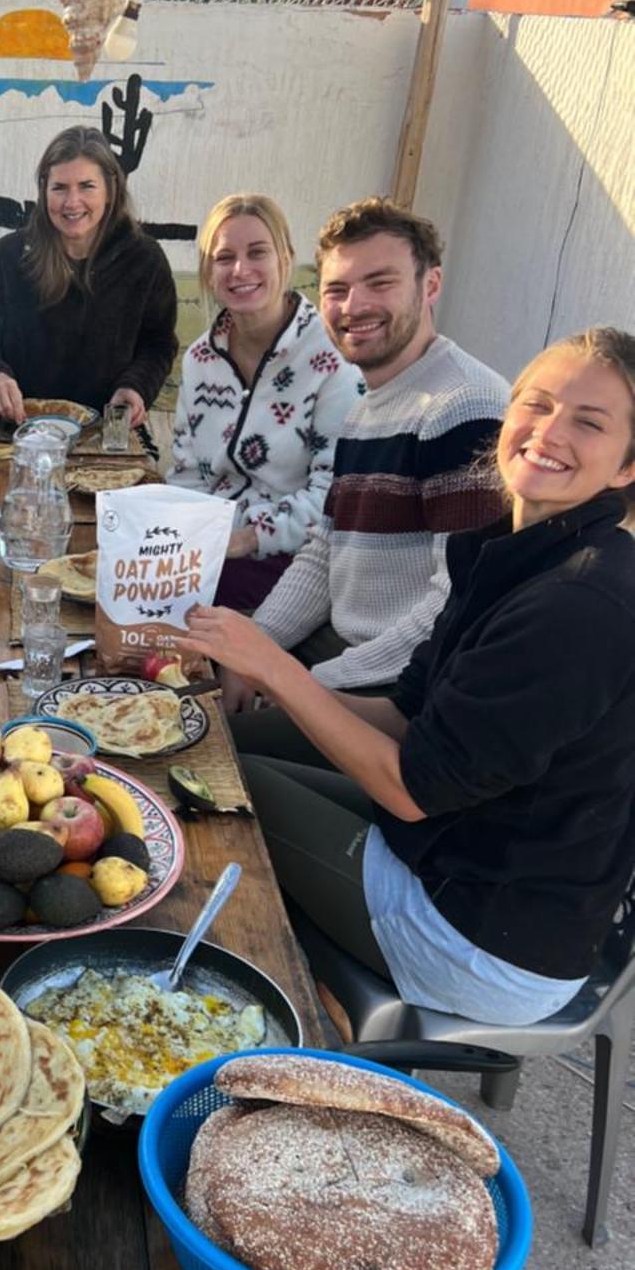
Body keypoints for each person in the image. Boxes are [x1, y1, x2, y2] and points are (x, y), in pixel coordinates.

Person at [181, 328, 635, 1025]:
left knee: (219, 793)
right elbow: (406, 714)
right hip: (450, 843)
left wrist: (273, 664)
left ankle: (237, 1005)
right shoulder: (514, 549)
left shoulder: (580, 604)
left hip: (483, 940)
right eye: (536, 404)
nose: (548, 431)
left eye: (589, 421)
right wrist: (280, 688)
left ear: (627, 466)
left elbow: (411, 790)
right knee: (225, 747)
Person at [227, 199, 509, 755]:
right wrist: (252, 651)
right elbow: (323, 554)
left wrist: (304, 686)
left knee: (214, 752)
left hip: (396, 691)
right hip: (338, 653)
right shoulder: (367, 409)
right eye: (336, 290)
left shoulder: (466, 406)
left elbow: (455, 607)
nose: (353, 306)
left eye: (379, 282)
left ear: (430, 285)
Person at [170, 194, 364, 611]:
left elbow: (335, 492)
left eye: (257, 252)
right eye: (224, 258)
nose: (240, 270)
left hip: (299, 557)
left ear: (286, 259)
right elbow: (187, 476)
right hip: (213, 548)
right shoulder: (200, 359)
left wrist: (248, 538)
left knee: (187, 605)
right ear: (208, 272)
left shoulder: (331, 358)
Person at [0, 126, 178, 428]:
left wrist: (134, 387)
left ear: (110, 190)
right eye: (60, 187)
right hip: (15, 432)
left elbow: (158, 344)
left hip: (104, 436)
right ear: (44, 191)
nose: (72, 202)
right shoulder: (11, 255)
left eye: (86, 186)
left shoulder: (144, 259)